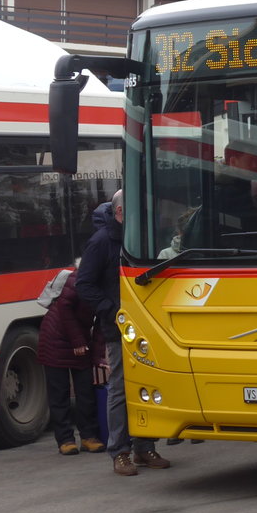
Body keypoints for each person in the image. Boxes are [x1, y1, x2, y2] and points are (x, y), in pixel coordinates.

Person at [77, 190, 171, 476]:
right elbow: (84, 284)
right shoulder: (102, 242)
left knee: (147, 384)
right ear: (120, 213)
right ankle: (119, 451)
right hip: (119, 327)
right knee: (120, 387)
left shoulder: (139, 238)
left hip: (146, 325)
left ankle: (144, 447)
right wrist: (112, 310)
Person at [38, 263, 104, 456]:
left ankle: (88, 436)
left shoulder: (106, 283)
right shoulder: (78, 278)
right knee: (60, 392)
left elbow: (103, 320)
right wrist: (77, 341)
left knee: (86, 390)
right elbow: (64, 308)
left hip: (79, 338)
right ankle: (65, 439)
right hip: (54, 338)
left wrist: (97, 356)